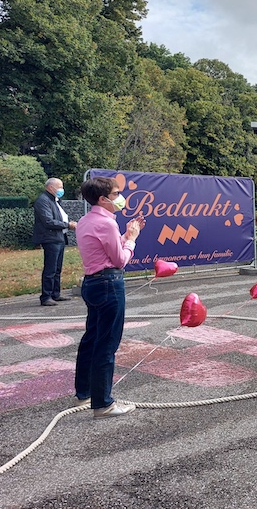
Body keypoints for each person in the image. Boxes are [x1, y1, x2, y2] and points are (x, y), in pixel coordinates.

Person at [74, 176, 145, 418]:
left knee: (91, 338)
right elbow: (120, 260)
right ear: (103, 199)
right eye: (116, 194)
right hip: (108, 284)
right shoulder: (106, 224)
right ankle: (103, 403)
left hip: (92, 283)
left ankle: (84, 392)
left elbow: (105, 250)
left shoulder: (85, 221)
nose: (120, 198)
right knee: (107, 343)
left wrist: (126, 235)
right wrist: (132, 240)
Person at [32, 178, 77, 306]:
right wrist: (67, 225)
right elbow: (48, 221)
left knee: (57, 268)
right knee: (50, 269)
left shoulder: (54, 201)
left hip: (58, 238)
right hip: (50, 238)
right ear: (51, 187)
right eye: (60, 187)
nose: (61, 189)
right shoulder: (43, 201)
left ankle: (55, 294)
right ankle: (46, 296)